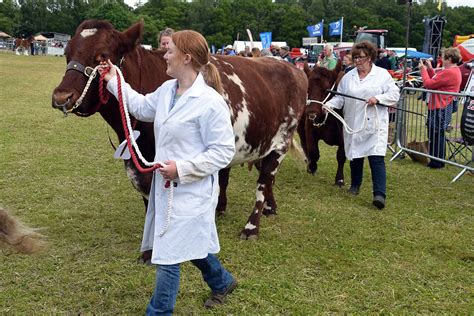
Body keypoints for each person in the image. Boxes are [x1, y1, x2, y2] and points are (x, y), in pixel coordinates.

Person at [101, 30, 237, 314]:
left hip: (192, 191)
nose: (164, 53)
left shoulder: (210, 103)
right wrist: (114, 79)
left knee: (168, 256)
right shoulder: (167, 90)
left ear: (186, 58)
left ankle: (159, 312)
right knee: (187, 242)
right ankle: (222, 281)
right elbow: (139, 105)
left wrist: (183, 169)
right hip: (166, 191)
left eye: (170, 50)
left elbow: (224, 152)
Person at [324, 41, 400, 209]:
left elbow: (394, 94)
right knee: (355, 156)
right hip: (354, 122)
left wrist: (378, 99)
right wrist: (329, 105)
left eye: (361, 58)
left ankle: (379, 194)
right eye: (355, 57)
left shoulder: (382, 75)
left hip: (375, 124)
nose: (357, 61)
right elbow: (341, 98)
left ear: (371, 57)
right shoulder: (348, 76)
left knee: (376, 158)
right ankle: (355, 185)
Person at [419, 47, 462, 169]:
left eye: (443, 58)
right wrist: (430, 69)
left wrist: (423, 69)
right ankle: (438, 160)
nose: (441, 60)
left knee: (436, 133)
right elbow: (437, 81)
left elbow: (429, 84)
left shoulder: (449, 72)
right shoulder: (454, 70)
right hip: (443, 104)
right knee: (437, 133)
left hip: (440, 105)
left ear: (449, 58)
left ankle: (436, 162)